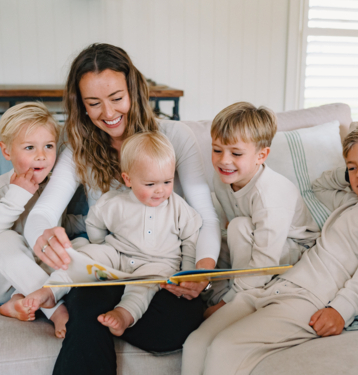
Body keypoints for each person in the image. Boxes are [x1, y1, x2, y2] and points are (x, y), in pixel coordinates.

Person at [23, 43, 220, 375]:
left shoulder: (174, 136)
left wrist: (202, 269)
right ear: (81, 105)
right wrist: (44, 235)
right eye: (93, 103)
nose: (108, 113)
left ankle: (100, 311)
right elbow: (43, 213)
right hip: (111, 268)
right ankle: (90, 309)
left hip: (160, 271)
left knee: (167, 327)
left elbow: (206, 216)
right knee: (87, 298)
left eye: (116, 98)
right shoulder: (80, 147)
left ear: (135, 91)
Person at [182, 120, 358, 375]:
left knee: (225, 347)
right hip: (276, 286)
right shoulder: (350, 200)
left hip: (308, 299)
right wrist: (350, 175)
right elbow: (321, 185)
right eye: (352, 167)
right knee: (196, 343)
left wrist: (341, 310)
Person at [22, 131, 202, 337]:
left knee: (144, 287)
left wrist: (188, 272)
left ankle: (124, 315)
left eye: (167, 182)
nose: (160, 191)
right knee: (85, 258)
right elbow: (94, 221)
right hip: (118, 254)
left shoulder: (178, 207)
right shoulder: (115, 202)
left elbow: (190, 238)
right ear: (128, 179)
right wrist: (99, 245)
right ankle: (51, 291)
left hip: (158, 263)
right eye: (150, 184)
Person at [0, 102, 85, 338]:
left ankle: (19, 301)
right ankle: (55, 310)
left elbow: (60, 223)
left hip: (33, 270)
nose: (41, 156)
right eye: (30, 147)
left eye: (48, 146)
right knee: (5, 239)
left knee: (79, 247)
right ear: (7, 151)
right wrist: (16, 196)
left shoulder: (52, 187)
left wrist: (91, 224)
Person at [202, 102, 320, 319]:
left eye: (236, 153)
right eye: (217, 150)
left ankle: (237, 299)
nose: (224, 160)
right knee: (223, 232)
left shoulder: (269, 194)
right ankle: (215, 295)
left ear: (261, 156)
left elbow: (265, 260)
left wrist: (228, 302)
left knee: (238, 227)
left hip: (296, 251)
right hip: (256, 240)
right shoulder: (222, 180)